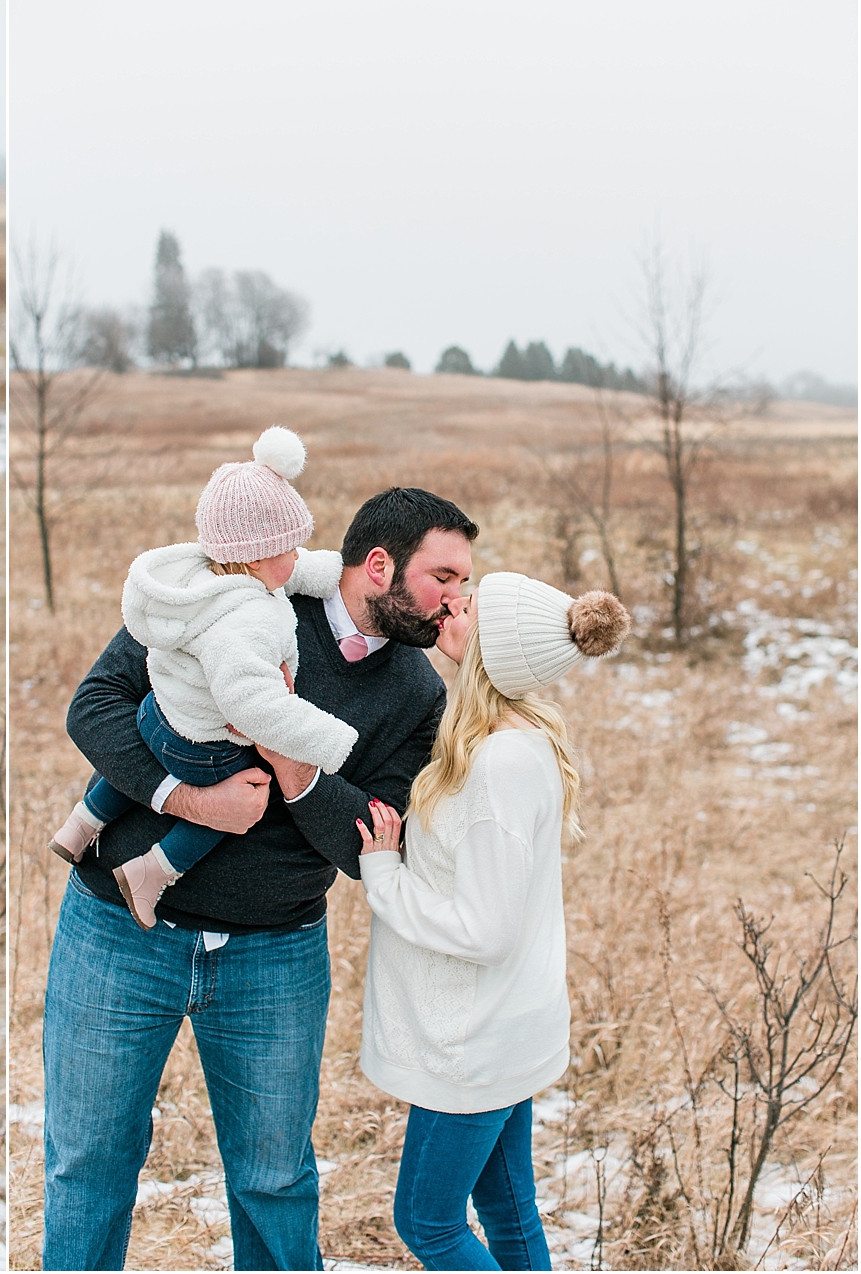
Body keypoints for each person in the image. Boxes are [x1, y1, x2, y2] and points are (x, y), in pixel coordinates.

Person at [44, 486, 477, 1272]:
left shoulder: (419, 695)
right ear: (379, 566)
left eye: (464, 582)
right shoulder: (242, 592)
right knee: (87, 1171)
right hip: (116, 934)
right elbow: (96, 705)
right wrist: (189, 800)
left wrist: (296, 769)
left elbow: (373, 844)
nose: (457, 599)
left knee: (275, 1182)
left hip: (274, 956)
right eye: (443, 576)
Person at [356, 574, 629, 1271]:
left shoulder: (498, 765)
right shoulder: (514, 739)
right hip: (503, 1027)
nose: (452, 605)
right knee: (509, 1213)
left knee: (427, 1221)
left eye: (468, 607)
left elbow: (485, 930)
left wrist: (385, 875)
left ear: (495, 649)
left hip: (474, 1042)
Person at [48, 427, 357, 929]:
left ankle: (82, 823)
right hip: (202, 744)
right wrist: (331, 740)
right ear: (256, 555)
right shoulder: (249, 621)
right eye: (291, 548)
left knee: (148, 755)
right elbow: (252, 705)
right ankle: (153, 871)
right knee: (244, 797)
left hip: (158, 714)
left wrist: (328, 571)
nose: (297, 556)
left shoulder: (203, 577)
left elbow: (286, 571)